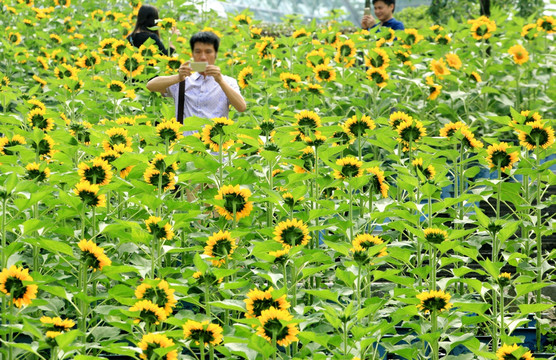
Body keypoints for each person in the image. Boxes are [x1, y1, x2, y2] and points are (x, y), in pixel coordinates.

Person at [146, 31, 246, 123]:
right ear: (193, 54)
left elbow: (241, 107)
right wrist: (178, 77)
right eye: (198, 52)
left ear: (215, 54)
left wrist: (220, 81)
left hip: (213, 141)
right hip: (185, 141)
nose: (203, 57)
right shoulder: (184, 80)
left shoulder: (228, 82)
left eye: (208, 52)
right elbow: (150, 85)